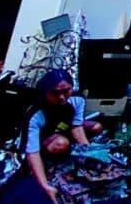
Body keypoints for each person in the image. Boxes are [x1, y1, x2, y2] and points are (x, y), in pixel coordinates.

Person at [19, 70, 103, 203]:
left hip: (65, 127)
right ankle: (51, 161)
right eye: (55, 93)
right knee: (61, 143)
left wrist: (91, 155)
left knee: (97, 126)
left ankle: (78, 154)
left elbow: (77, 127)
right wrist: (46, 186)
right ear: (46, 92)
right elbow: (32, 153)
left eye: (66, 91)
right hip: (46, 140)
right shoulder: (35, 114)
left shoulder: (77, 99)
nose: (62, 97)